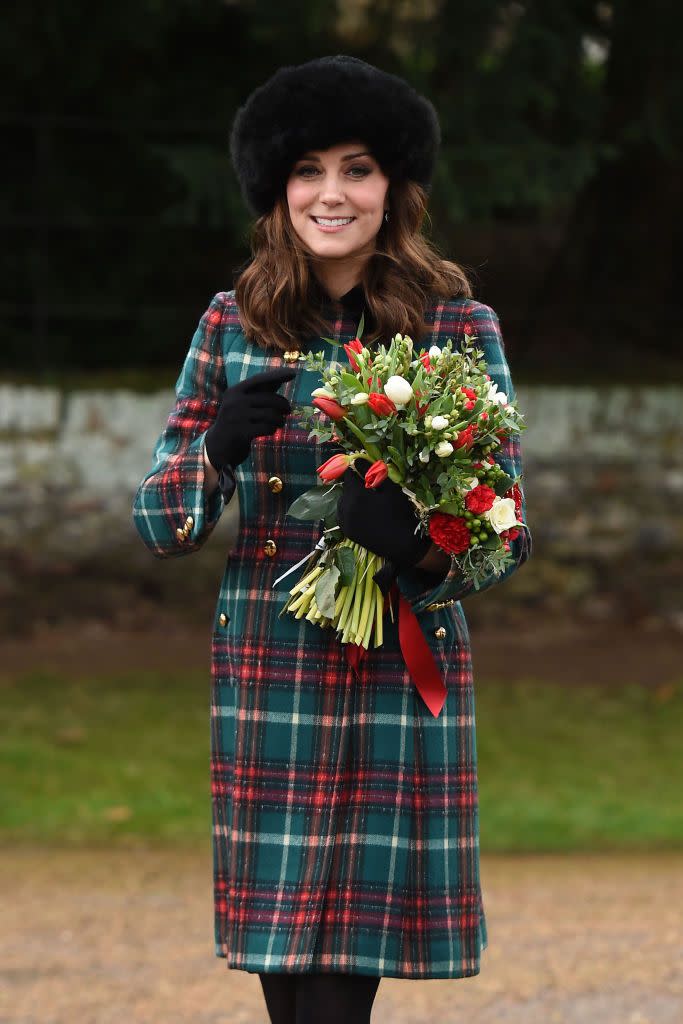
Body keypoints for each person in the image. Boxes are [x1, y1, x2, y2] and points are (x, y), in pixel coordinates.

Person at [132, 55, 531, 1024]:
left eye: (357, 168)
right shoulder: (230, 322)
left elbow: (504, 529)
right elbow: (159, 521)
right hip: (271, 662)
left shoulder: (455, 325)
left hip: (394, 664)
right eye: (308, 170)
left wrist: (417, 544)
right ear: (277, 190)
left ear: (392, 188)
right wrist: (216, 450)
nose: (331, 193)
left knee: (339, 980)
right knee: (284, 956)